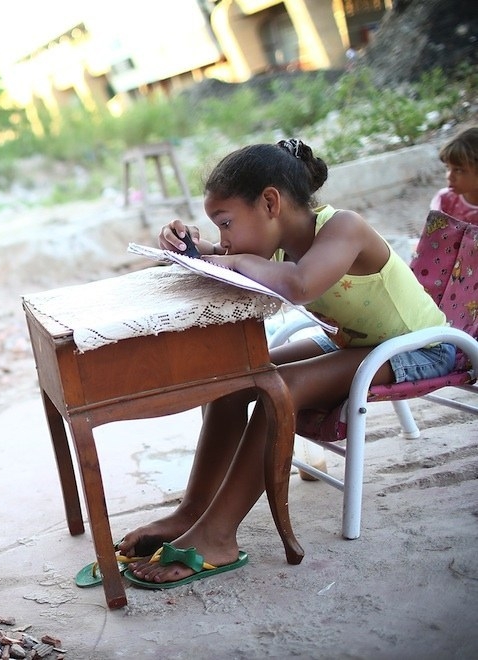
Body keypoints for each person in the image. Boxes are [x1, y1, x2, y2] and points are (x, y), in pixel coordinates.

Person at [116, 138, 456, 588]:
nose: (224, 238)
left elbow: (298, 283)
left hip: (419, 348)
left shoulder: (345, 228)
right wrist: (195, 250)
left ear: (270, 202)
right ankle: (193, 512)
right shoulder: (277, 244)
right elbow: (238, 261)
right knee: (238, 379)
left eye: (226, 223)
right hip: (357, 344)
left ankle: (218, 536)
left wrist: (234, 257)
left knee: (283, 389)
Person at [430, 126, 478, 224]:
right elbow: (434, 237)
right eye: (447, 167)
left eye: (459, 170)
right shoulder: (445, 200)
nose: (449, 176)